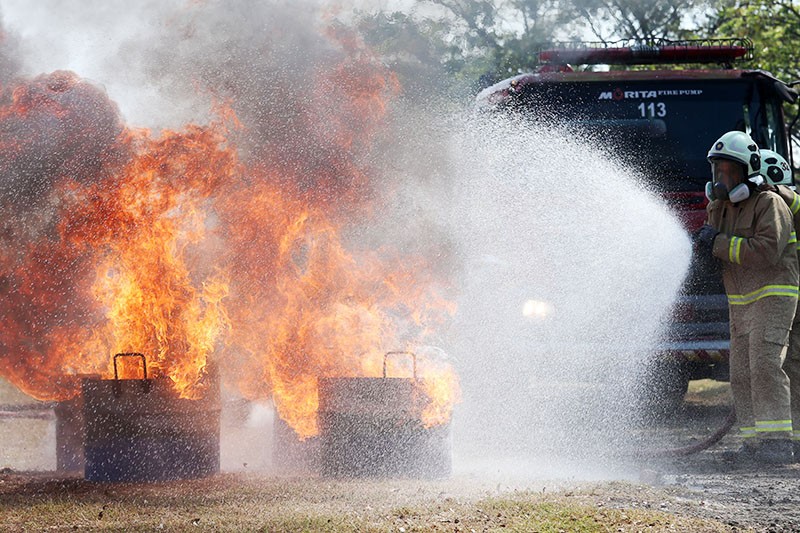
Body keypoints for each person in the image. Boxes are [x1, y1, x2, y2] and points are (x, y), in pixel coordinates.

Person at [696, 131, 799, 464]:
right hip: (739, 300)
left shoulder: (769, 203)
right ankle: (754, 444)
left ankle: (777, 444)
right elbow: (718, 252)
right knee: (740, 374)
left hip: (773, 294)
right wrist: (702, 253)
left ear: (749, 171)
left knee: (766, 365)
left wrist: (718, 243)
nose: (723, 179)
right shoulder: (718, 207)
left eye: (730, 171)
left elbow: (766, 251)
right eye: (719, 171)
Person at [757, 149, 800, 458]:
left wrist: (777, 191)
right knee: (785, 367)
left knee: (791, 366)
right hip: (787, 301)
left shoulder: (783, 203)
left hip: (792, 300)